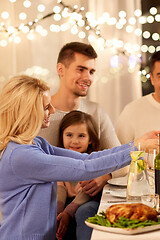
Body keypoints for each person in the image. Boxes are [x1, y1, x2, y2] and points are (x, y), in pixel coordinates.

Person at [0, 75, 130, 239]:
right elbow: (85, 169)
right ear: (28, 111)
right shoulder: (21, 156)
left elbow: (86, 160)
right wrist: (135, 149)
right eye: (47, 107)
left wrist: (134, 146)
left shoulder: (37, 144)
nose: (53, 111)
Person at [38, 42, 123, 239]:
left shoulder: (96, 112)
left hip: (85, 199)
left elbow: (123, 160)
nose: (88, 77)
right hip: (48, 199)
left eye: (92, 71)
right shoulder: (38, 112)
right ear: (61, 69)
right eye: (81, 69)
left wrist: (104, 177)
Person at [56, 111, 101, 240]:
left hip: (86, 202)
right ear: (62, 136)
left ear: (90, 139)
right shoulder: (59, 159)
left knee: (84, 210)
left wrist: (67, 213)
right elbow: (60, 188)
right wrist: (59, 212)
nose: (74, 141)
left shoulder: (92, 161)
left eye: (81, 136)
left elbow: (86, 192)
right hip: (65, 202)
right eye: (69, 135)